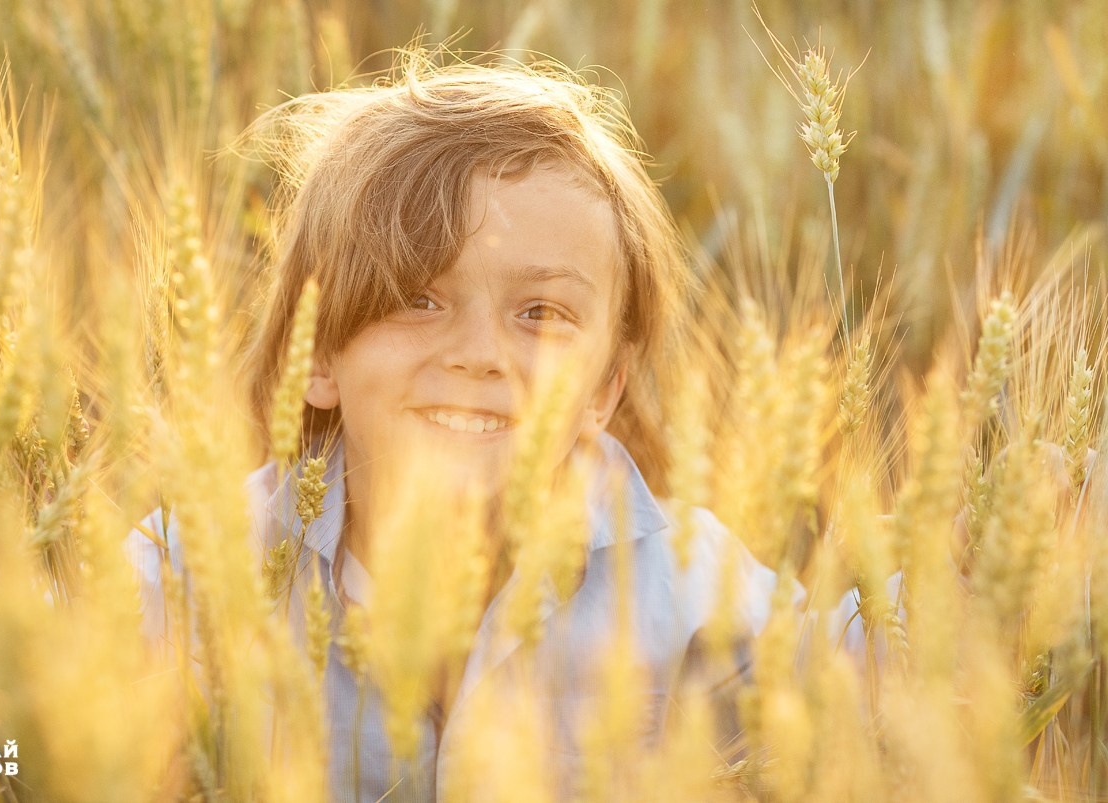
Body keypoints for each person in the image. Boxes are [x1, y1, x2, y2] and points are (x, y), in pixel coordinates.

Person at [127, 51, 867, 801]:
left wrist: (923, 586)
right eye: (416, 299)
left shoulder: (691, 589)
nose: (480, 354)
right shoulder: (186, 578)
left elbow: (854, 703)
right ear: (315, 352)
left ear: (604, 388)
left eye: (540, 313)